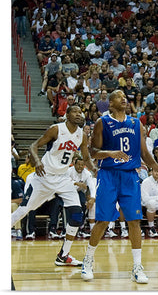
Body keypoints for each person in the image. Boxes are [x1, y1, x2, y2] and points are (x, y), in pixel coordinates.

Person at [81, 90, 158, 283]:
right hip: (108, 174)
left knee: (134, 221)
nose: (124, 99)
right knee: (102, 221)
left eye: (125, 97)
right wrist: (110, 153)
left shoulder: (136, 123)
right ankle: (88, 259)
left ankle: (137, 267)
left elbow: (144, 153)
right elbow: (93, 152)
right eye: (119, 96)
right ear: (110, 103)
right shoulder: (102, 123)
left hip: (130, 176)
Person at [11, 105, 95, 266]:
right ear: (67, 115)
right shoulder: (56, 129)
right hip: (43, 177)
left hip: (63, 178)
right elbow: (33, 146)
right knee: (23, 210)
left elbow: (86, 158)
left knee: (77, 215)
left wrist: (96, 169)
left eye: (81, 112)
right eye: (75, 112)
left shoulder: (82, 136)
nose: (79, 114)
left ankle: (63, 255)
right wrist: (36, 161)